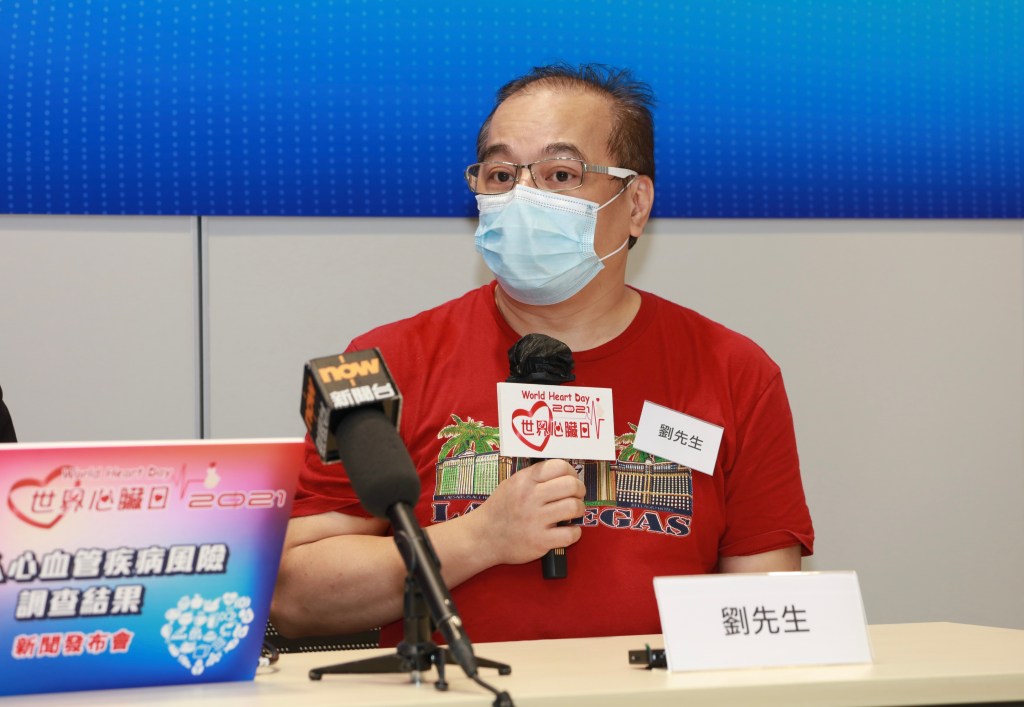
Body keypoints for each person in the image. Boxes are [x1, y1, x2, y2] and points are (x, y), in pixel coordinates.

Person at [271, 63, 813, 646]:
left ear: (635, 204)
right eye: (501, 176)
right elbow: (296, 596)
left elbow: (767, 617)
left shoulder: (734, 372)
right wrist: (480, 538)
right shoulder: (385, 362)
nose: (524, 198)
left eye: (560, 174)